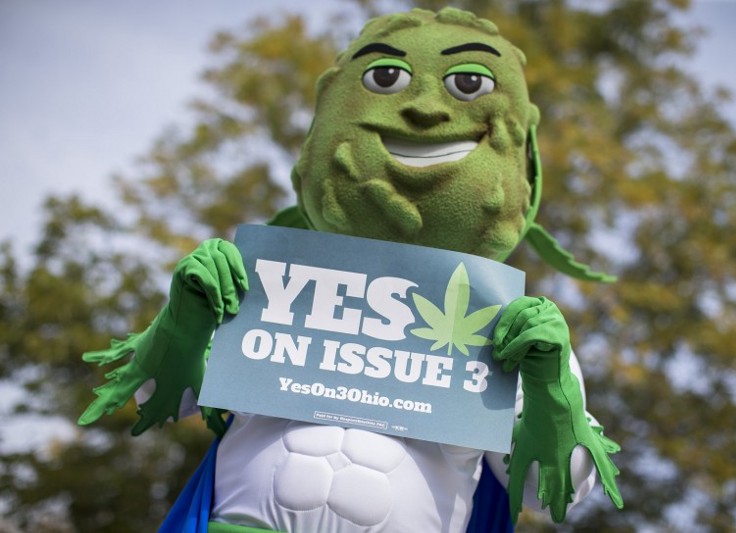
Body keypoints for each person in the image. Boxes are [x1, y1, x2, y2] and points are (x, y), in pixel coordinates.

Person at [80, 8, 622, 532]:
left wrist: (549, 384)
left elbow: (556, 492)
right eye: (386, 77)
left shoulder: (508, 324)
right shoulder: (264, 282)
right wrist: (187, 317)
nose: (425, 109)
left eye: (467, 83)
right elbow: (160, 399)